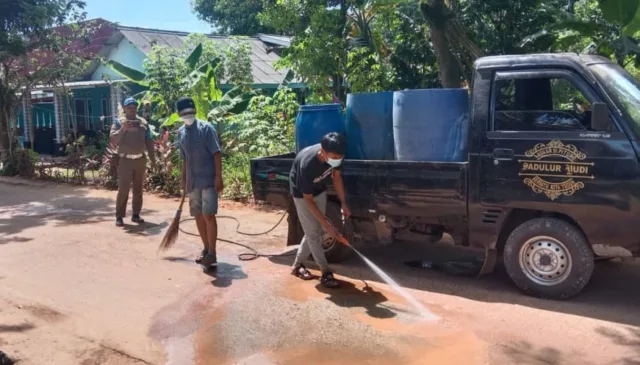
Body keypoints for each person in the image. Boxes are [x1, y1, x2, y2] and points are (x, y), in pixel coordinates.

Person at [289, 132, 351, 288]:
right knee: (315, 232)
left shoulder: (337, 155)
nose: (337, 161)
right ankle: (325, 271)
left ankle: (297, 266)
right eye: (334, 158)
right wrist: (328, 227)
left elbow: (336, 177)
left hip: (319, 189)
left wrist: (343, 203)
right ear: (323, 152)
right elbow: (308, 201)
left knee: (313, 231)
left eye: (339, 158)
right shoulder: (307, 164)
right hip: (303, 195)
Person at [175, 97, 224, 268]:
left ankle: (212, 252)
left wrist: (219, 177)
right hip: (192, 181)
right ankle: (205, 248)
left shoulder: (206, 129)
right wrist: (183, 179)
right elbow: (184, 159)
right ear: (179, 114)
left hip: (208, 180)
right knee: (197, 215)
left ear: (195, 111)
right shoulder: (181, 132)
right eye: (184, 113)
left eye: (190, 112)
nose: (188, 115)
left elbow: (216, 153)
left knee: (208, 215)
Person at [110, 97, 156, 227]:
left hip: (140, 160)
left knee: (138, 189)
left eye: (134, 107)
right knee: (123, 189)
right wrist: (122, 129)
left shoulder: (143, 123)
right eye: (129, 107)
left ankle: (136, 214)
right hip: (125, 160)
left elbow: (149, 142)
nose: (132, 109)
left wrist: (153, 160)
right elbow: (113, 140)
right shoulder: (118, 122)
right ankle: (119, 216)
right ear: (124, 109)